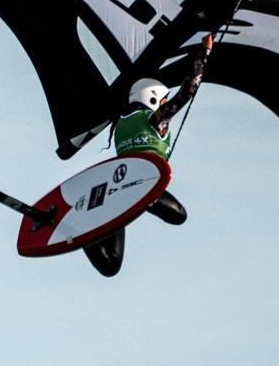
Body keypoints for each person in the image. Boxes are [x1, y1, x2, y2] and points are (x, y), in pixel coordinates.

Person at [84, 33, 214, 277]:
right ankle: (137, 199)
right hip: (138, 185)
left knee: (110, 266)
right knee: (179, 216)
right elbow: (187, 92)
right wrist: (205, 52)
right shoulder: (155, 119)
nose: (164, 105)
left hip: (116, 190)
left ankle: (86, 231)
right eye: (162, 101)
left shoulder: (120, 122)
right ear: (154, 99)